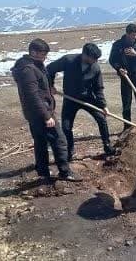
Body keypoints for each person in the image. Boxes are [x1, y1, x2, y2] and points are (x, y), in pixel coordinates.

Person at [11, 38, 81, 182]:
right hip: (40, 112)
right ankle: (65, 171)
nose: (45, 58)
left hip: (36, 111)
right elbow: (32, 95)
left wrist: (48, 89)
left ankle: (43, 173)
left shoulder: (33, 64)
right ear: (33, 52)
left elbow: (38, 88)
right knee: (59, 140)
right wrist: (46, 116)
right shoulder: (28, 70)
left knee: (41, 141)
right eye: (43, 54)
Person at [47, 43, 115, 160]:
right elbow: (49, 69)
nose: (95, 61)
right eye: (93, 58)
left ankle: (107, 146)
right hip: (70, 98)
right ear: (84, 55)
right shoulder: (69, 60)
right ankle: (70, 151)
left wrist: (103, 105)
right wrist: (50, 85)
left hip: (87, 98)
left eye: (96, 59)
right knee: (66, 126)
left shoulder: (95, 67)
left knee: (101, 119)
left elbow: (98, 88)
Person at [109, 23, 136, 128]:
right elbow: (112, 60)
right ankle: (127, 126)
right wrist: (119, 69)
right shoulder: (118, 45)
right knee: (126, 103)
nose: (134, 37)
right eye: (132, 35)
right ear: (127, 34)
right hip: (125, 77)